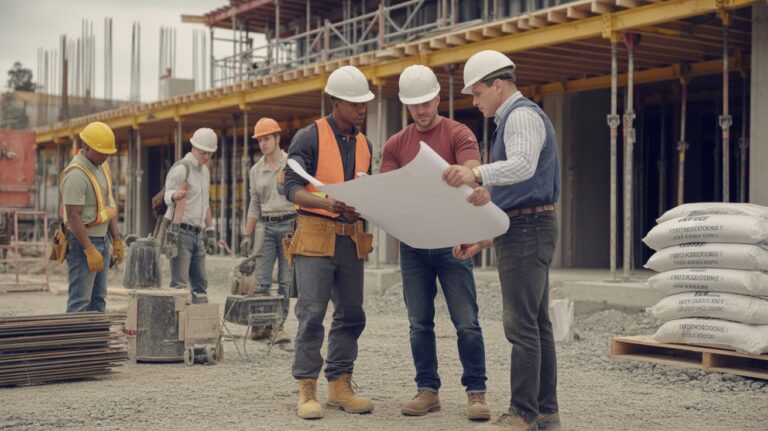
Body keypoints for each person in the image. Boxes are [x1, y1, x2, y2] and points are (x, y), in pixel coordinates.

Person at [444, 50, 562, 431]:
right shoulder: (513, 119)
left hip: (529, 232)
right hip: (526, 229)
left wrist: (475, 174)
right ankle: (544, 411)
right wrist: (482, 240)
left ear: (498, 86)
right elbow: (519, 198)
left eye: (477, 94)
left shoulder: (521, 116)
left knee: (522, 327)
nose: (475, 102)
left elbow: (524, 165)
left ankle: (523, 413)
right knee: (537, 325)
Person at [381, 65, 491, 421]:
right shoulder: (396, 144)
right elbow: (388, 191)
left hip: (452, 241)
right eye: (414, 106)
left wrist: (468, 177)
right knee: (419, 323)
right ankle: (427, 390)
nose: (421, 110)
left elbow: (472, 170)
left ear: (438, 98)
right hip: (413, 245)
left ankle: (476, 393)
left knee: (467, 322)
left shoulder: (459, 133)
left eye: (426, 103)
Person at [283, 65, 376, 419]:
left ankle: (339, 384)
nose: (362, 109)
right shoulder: (309, 137)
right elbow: (290, 186)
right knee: (312, 315)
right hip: (315, 236)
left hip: (350, 239)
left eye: (364, 103)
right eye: (355, 104)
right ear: (336, 102)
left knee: (352, 314)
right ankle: (307, 386)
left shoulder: (365, 143)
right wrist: (327, 203)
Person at [240, 117, 295, 344]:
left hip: (290, 224)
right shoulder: (256, 170)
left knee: (285, 279)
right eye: (260, 140)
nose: (263, 144)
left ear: (277, 138)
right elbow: (254, 203)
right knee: (261, 279)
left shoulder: (292, 163)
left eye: (267, 139)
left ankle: (278, 326)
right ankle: (261, 324)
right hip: (266, 226)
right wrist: (247, 234)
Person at [60, 121, 124, 313]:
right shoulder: (76, 175)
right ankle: (77, 343)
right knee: (80, 302)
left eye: (107, 152)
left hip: (102, 239)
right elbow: (73, 216)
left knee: (98, 300)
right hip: (83, 243)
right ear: (85, 146)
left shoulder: (101, 167)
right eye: (100, 151)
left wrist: (117, 238)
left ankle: (97, 342)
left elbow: (108, 206)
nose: (105, 156)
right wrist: (89, 249)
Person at [163, 127, 219, 304]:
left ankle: (198, 327)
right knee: (179, 285)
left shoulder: (205, 172)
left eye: (210, 154)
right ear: (194, 148)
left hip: (197, 234)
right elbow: (167, 195)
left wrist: (210, 231)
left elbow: (205, 203)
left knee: (201, 285)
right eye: (204, 153)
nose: (207, 157)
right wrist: (174, 195)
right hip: (180, 233)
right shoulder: (181, 169)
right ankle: (175, 328)